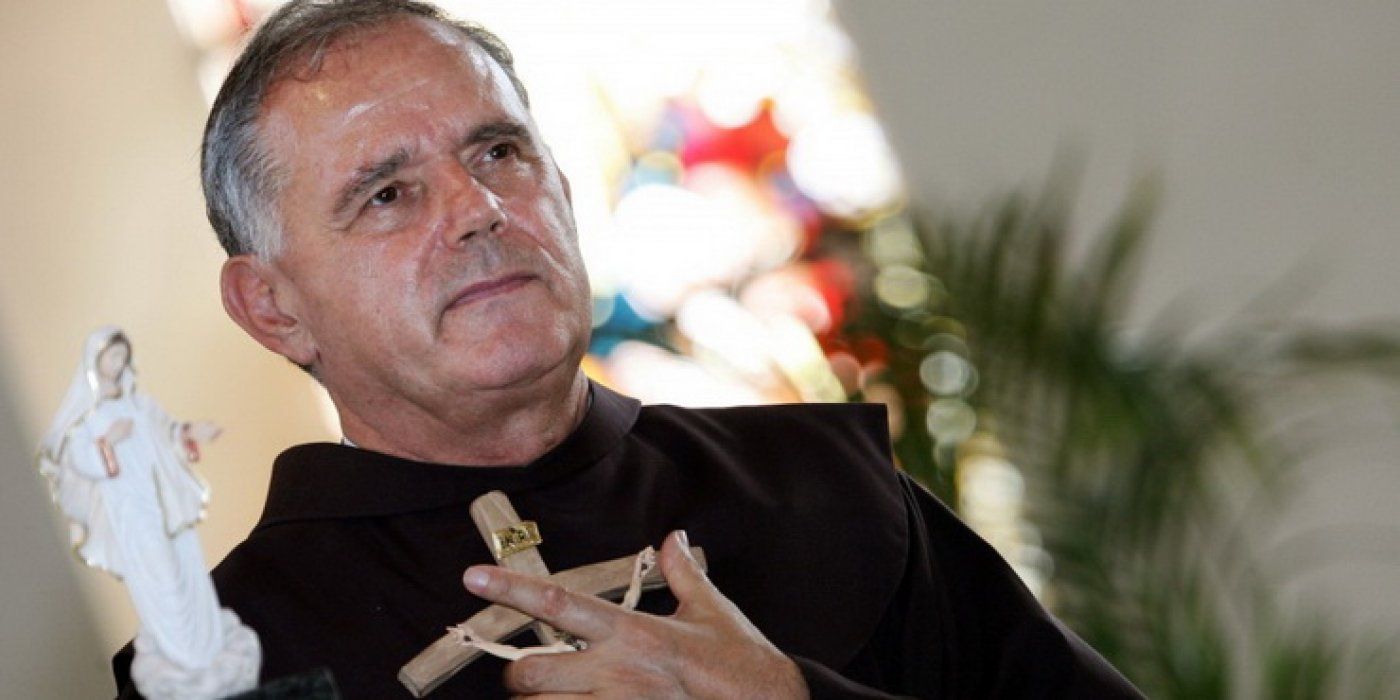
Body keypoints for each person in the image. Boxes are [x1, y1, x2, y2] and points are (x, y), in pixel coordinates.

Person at [115, 1, 1143, 697]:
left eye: (499, 152)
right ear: (272, 308)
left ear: (563, 189)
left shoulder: (823, 483)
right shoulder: (229, 658)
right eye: (387, 194)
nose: (478, 210)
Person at [40, 327, 224, 670]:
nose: (118, 363)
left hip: (163, 499)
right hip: (130, 507)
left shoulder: (140, 403)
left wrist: (189, 432)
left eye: (122, 356)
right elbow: (78, 459)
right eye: (112, 356)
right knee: (155, 574)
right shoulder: (88, 418)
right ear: (95, 361)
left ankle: (202, 645)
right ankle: (181, 652)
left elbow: (167, 431)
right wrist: (107, 442)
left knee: (184, 568)